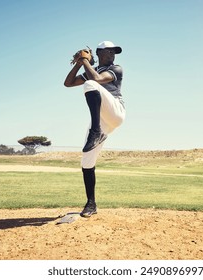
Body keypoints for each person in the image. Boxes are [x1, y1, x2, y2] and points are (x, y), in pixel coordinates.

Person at [64, 41, 126, 218]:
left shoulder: (116, 68)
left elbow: (97, 80)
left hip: (115, 111)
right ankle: (91, 204)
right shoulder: (94, 70)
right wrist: (79, 63)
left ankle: (96, 131)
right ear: (99, 52)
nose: (113, 53)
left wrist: (85, 62)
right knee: (86, 160)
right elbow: (68, 83)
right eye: (109, 51)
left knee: (90, 85)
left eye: (115, 51)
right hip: (101, 119)